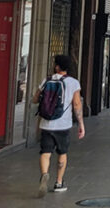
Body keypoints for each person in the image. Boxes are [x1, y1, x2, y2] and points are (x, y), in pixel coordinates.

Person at [33, 55, 84, 197]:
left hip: (46, 124)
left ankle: (44, 174)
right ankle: (59, 182)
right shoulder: (73, 83)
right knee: (62, 153)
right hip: (63, 124)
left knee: (45, 152)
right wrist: (81, 123)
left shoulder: (46, 80)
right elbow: (77, 105)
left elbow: (35, 99)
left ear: (57, 66)